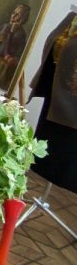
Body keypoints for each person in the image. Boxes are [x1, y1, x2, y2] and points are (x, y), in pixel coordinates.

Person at [29, 11, 77, 193]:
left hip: (72, 111)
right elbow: (52, 46)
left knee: (63, 165)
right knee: (44, 155)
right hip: (55, 97)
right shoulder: (72, 18)